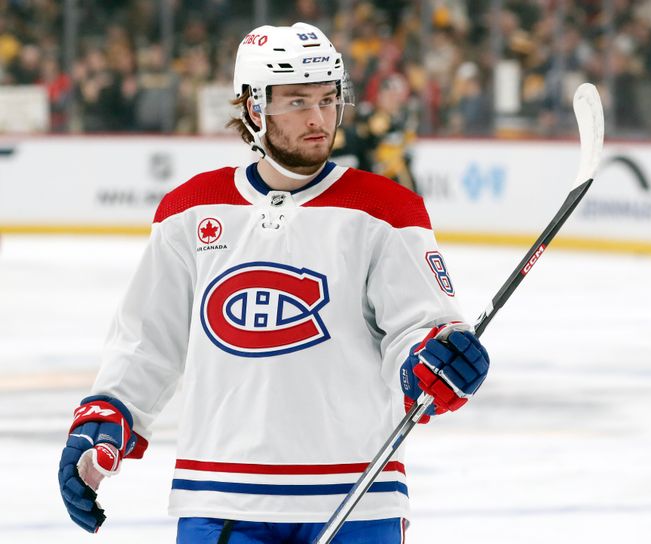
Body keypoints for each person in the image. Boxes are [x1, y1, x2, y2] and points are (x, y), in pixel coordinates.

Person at [57, 22, 490, 544]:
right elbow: (147, 341)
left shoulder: (386, 209)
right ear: (254, 108)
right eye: (297, 101)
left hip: (357, 496)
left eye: (329, 98)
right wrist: (107, 415)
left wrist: (436, 359)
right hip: (221, 497)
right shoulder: (191, 211)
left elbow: (419, 327)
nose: (318, 118)